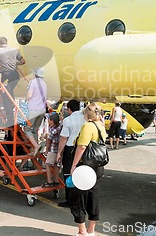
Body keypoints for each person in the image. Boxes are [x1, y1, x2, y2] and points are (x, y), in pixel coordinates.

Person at [69, 102, 106, 236]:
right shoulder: (101, 126)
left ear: (87, 114)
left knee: (78, 198)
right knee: (93, 197)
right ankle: (91, 230)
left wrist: (73, 166)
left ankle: (82, 230)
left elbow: (82, 147)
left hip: (85, 167)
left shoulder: (88, 126)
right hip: (98, 167)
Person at [0, 36, 26, 127]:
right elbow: (23, 61)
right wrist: (13, 63)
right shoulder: (14, 50)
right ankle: (11, 107)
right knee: (9, 93)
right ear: (6, 42)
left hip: (6, 76)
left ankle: (10, 120)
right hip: (15, 75)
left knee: (6, 98)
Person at [56, 99, 85, 208]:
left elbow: (64, 138)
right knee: (80, 173)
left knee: (68, 174)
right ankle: (80, 200)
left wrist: (59, 153)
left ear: (69, 109)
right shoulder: (85, 118)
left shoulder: (68, 120)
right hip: (82, 148)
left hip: (70, 149)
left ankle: (70, 200)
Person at [24, 67, 47, 156]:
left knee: (28, 130)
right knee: (35, 130)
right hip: (42, 110)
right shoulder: (44, 84)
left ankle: (36, 146)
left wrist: (26, 99)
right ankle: (36, 149)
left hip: (33, 109)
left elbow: (29, 95)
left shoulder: (33, 82)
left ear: (35, 74)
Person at [42, 112, 62, 187]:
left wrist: (47, 149)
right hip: (60, 149)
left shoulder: (53, 129)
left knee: (48, 164)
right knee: (56, 165)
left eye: (49, 120)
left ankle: (49, 181)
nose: (48, 121)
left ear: (52, 121)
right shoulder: (61, 126)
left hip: (53, 149)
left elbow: (49, 139)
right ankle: (56, 181)